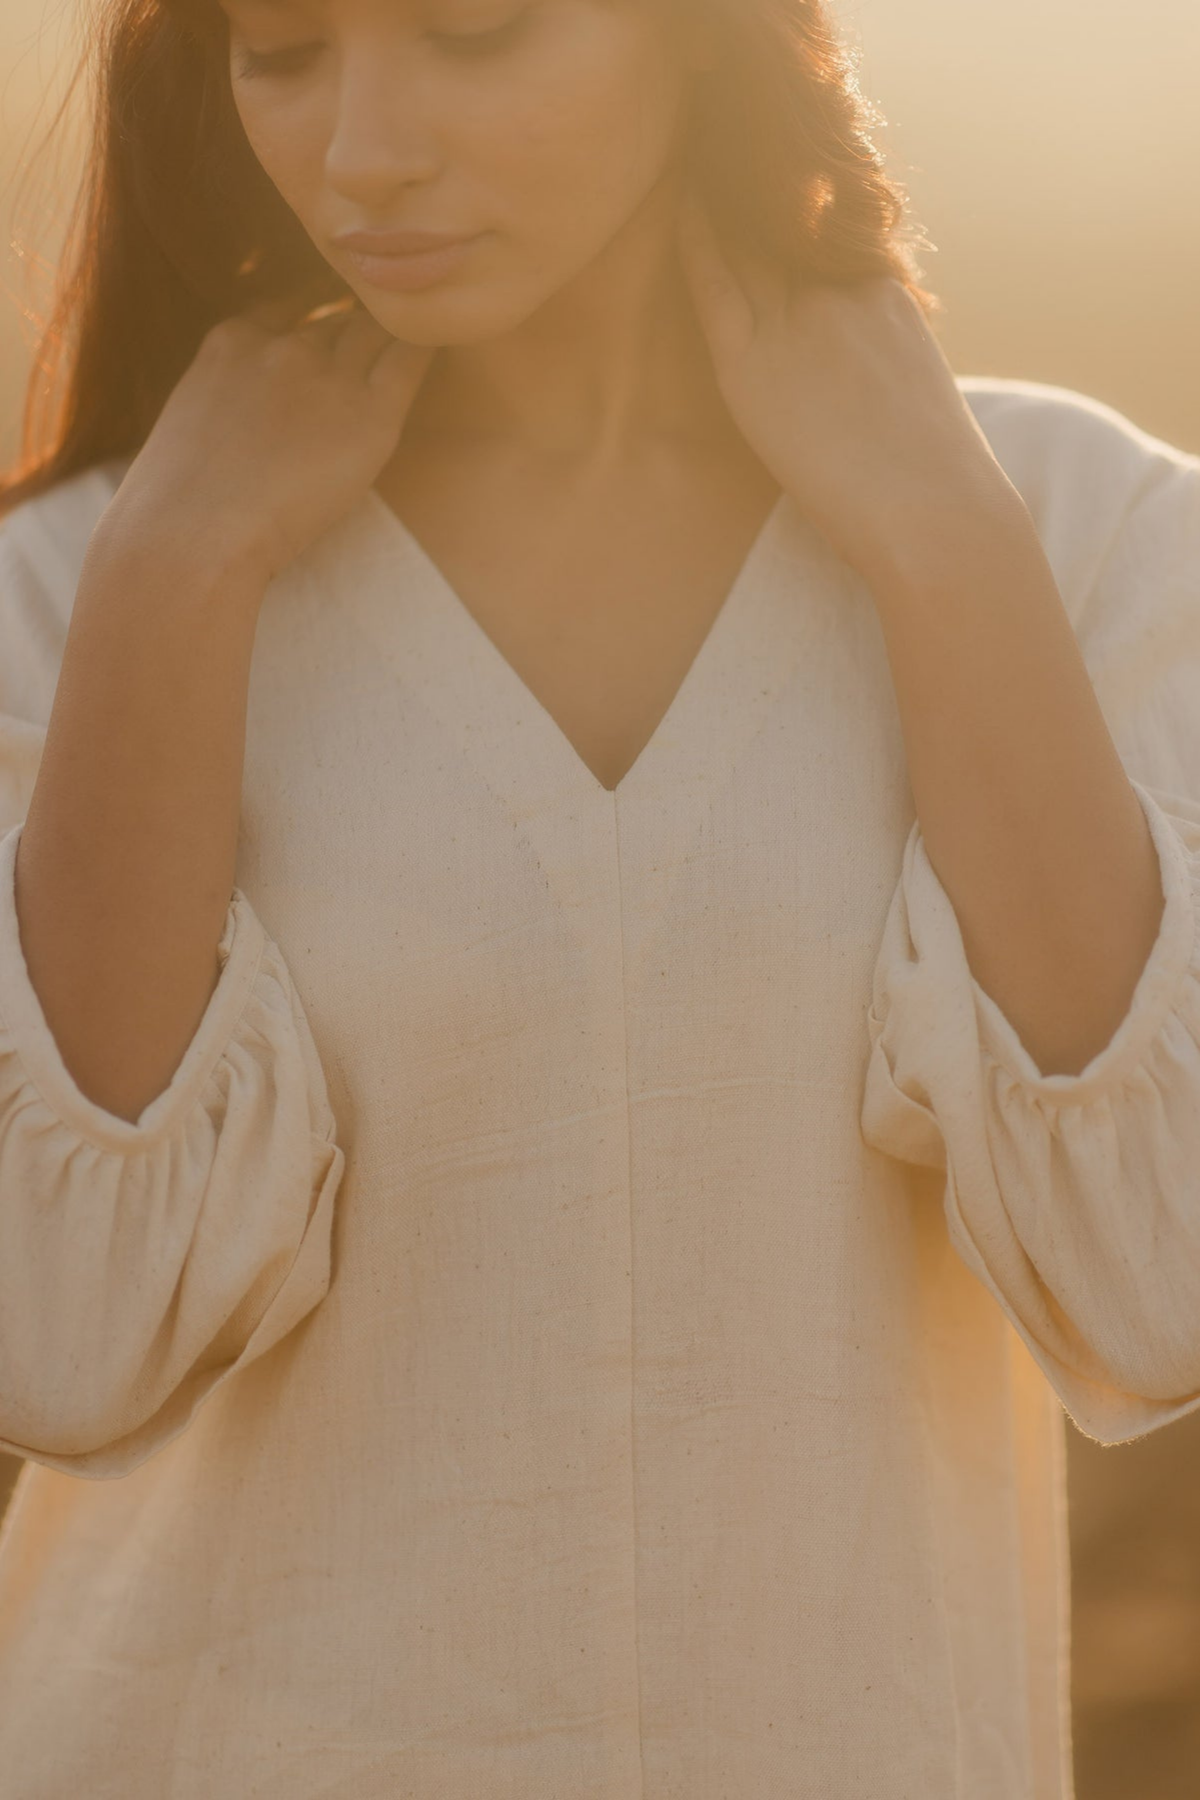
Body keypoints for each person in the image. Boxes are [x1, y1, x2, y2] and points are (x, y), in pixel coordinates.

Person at [0, 0, 1198, 1793]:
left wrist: (940, 532)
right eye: (280, 51)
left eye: (472, 33)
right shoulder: (72, 578)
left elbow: (1157, 1277)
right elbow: (64, 1338)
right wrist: (177, 571)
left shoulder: (1084, 534)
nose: (361, 147)